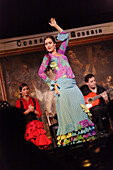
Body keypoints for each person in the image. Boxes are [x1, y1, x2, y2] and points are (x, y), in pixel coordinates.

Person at [38, 18, 96, 147]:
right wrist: (53, 85)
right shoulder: (47, 58)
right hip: (62, 88)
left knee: (80, 111)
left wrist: (56, 26)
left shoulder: (61, 53)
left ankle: (86, 141)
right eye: (45, 44)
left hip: (72, 85)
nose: (47, 45)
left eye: (49, 43)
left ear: (54, 43)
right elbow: (41, 73)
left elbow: (66, 37)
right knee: (68, 115)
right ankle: (74, 145)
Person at [16, 83, 52, 149]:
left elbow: (39, 113)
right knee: (31, 146)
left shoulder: (34, 100)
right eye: (24, 89)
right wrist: (29, 110)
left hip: (35, 125)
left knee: (41, 143)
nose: (26, 91)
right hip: (26, 126)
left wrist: (33, 110)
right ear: (21, 92)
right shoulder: (19, 102)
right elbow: (19, 116)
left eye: (27, 89)